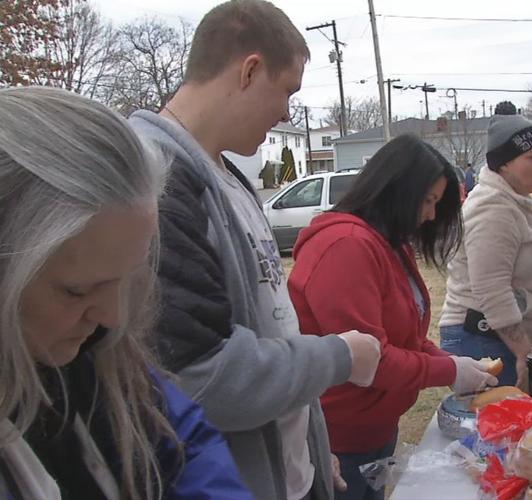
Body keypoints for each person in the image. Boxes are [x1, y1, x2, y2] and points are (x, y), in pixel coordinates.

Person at [0, 87, 250, 499]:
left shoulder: (96, 357)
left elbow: (184, 442)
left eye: (127, 279)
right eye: (76, 291)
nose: (113, 316)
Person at [128, 2, 382, 499]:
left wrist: (309, 445)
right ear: (249, 70)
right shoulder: (157, 182)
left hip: (285, 473)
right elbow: (201, 376)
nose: (287, 111)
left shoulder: (226, 177)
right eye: (287, 90)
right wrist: (339, 356)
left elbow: (270, 325)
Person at [287, 135, 499, 500]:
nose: (431, 215)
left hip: (377, 427)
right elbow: (370, 361)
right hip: (341, 438)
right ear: (396, 190)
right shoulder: (346, 247)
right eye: (428, 201)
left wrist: (450, 361)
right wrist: (449, 371)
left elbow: (407, 337)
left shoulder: (389, 243)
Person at [439, 115, 532, 389]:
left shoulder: (517, 197)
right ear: (504, 164)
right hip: (479, 336)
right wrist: (523, 352)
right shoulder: (493, 210)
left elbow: (519, 253)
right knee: (495, 427)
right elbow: (491, 287)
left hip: (497, 335)